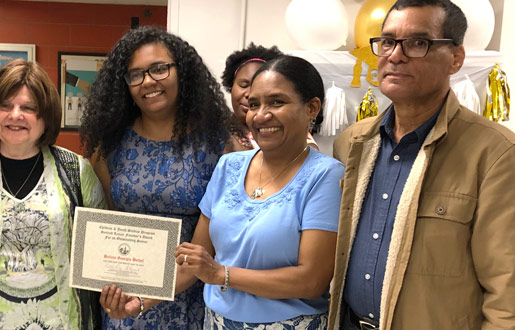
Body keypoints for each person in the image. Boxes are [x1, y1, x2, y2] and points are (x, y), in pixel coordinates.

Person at [328, 1, 515, 329]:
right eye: (387, 41)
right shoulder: (353, 143)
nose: (395, 55)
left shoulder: (498, 156)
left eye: (417, 43)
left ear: (456, 58)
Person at [102, 55, 343, 329]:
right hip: (216, 322)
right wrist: (141, 301)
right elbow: (195, 261)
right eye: (254, 104)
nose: (261, 115)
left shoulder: (325, 176)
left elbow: (311, 281)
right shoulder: (230, 166)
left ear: (311, 107)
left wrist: (221, 274)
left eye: (277, 102)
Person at [79, 26, 233, 329]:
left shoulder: (219, 144)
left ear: (182, 72)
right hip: (124, 299)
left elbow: (215, 237)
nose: (147, 81)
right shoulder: (108, 145)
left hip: (190, 296)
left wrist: (147, 299)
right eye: (135, 74)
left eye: (159, 69)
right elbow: (111, 221)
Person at [0, 59, 107, 330]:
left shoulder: (77, 171)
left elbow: (104, 249)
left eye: (28, 108)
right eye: (5, 105)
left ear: (45, 116)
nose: (15, 115)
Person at [221, 43, 319, 151]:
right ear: (231, 86)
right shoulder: (217, 127)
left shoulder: (295, 138)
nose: (250, 94)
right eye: (244, 85)